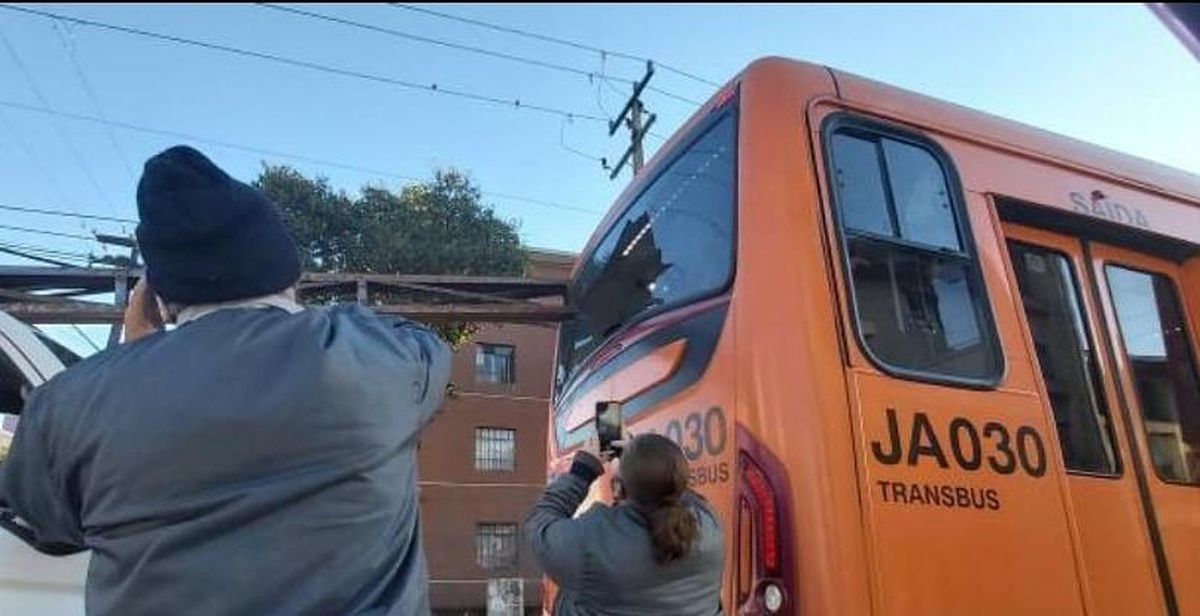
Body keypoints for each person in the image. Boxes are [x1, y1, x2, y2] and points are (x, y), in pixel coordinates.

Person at [0, 146, 451, 615]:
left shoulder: (68, 407)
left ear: (158, 295)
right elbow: (425, 346)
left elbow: (52, 525)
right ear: (286, 268)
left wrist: (136, 358)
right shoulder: (385, 358)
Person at [525, 433, 724, 615]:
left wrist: (583, 469)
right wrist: (643, 461)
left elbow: (539, 525)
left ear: (620, 487)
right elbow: (674, 490)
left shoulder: (593, 542)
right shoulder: (709, 524)